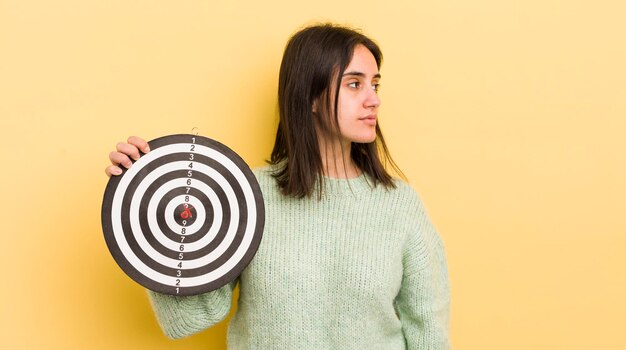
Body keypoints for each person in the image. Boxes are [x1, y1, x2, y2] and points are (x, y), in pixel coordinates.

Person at [105, 23, 451, 349]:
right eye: (354, 84)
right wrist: (144, 195)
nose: (373, 99)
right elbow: (190, 319)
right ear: (311, 97)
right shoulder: (246, 195)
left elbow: (429, 334)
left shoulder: (400, 205)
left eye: (375, 84)